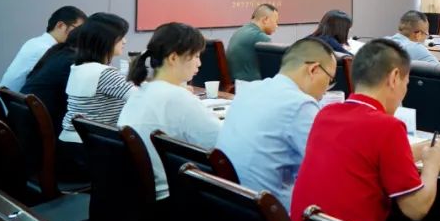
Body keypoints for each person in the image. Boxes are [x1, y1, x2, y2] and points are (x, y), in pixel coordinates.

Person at [289, 39, 440, 221]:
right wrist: (432, 164)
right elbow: (416, 208)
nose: (404, 93)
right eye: (406, 84)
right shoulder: (387, 126)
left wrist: (434, 146)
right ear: (394, 77)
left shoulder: (326, 114)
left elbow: (373, 158)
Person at [216, 37, 337, 210]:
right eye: (330, 80)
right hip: (271, 213)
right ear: (313, 69)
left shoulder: (250, 89)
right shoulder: (300, 104)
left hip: (232, 203)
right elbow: (327, 168)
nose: (327, 90)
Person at [118, 22, 222, 200]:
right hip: (172, 197)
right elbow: (221, 146)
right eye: (196, 56)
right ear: (173, 58)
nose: (199, 63)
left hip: (137, 195)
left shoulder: (141, 91)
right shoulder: (177, 97)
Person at [58, 12, 133, 179]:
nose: (125, 41)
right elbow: (143, 100)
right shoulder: (104, 73)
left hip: (70, 148)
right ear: (105, 40)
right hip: (90, 153)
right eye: (121, 37)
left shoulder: (79, 67)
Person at [0, 6, 86, 91]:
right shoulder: (48, 50)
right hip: (20, 98)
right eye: (77, 30)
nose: (79, 36)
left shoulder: (34, 42)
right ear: (60, 26)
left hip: (8, 96)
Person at [226, 3, 279, 81]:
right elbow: (274, 69)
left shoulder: (240, 31)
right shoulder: (261, 38)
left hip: (234, 82)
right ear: (265, 20)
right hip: (249, 84)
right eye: (276, 22)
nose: (277, 26)